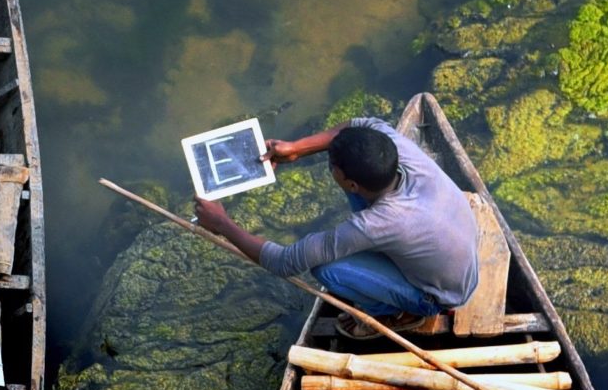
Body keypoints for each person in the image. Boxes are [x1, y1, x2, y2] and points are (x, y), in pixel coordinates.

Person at [193, 112, 479, 323]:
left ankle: (395, 315)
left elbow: (285, 262)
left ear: (352, 183)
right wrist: (296, 148)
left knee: (325, 268)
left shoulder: (377, 223)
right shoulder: (392, 146)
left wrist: (221, 224)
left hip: (438, 295)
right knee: (346, 242)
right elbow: (360, 124)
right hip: (460, 259)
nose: (331, 167)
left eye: (334, 168)